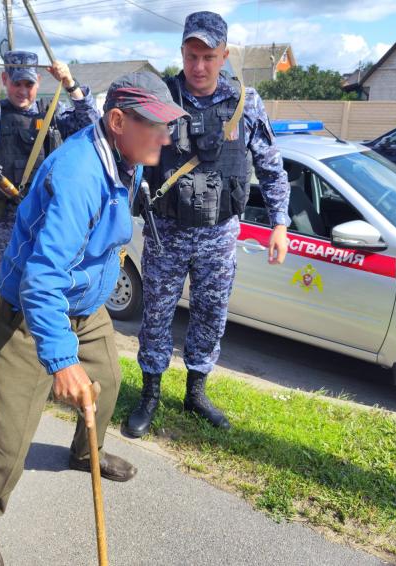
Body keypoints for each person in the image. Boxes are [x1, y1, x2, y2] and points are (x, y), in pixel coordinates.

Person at [0, 71, 187, 566]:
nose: (167, 137)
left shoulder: (126, 155)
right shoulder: (79, 174)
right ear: (118, 120)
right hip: (34, 309)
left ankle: (84, 453)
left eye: (169, 125)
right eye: (157, 126)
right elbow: (42, 281)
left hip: (86, 302)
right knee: (7, 428)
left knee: (107, 380)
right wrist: (59, 360)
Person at [123, 11, 291, 438]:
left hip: (219, 234)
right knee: (157, 315)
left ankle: (196, 392)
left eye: (209, 57)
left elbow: (271, 168)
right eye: (192, 55)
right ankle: (150, 394)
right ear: (181, 51)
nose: (199, 66)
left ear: (224, 55)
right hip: (167, 231)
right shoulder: (161, 97)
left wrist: (280, 224)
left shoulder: (245, 103)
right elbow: (129, 155)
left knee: (210, 314)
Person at [0, 51, 100, 269]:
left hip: (49, 212)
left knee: (46, 273)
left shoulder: (51, 113)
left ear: (38, 82)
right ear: (5, 80)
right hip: (9, 217)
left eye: (28, 84)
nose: (22, 91)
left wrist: (70, 84)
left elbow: (92, 125)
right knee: (10, 276)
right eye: (16, 83)